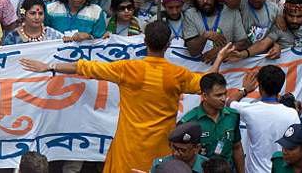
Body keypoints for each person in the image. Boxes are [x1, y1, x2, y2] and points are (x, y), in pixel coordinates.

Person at [20, 21, 235, 173]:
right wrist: (220, 57)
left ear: (145, 42)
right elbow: (207, 84)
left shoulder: (129, 68)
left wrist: (50, 66)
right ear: (168, 44)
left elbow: (85, 67)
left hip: (128, 149)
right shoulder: (177, 75)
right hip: (160, 150)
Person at [228, 65, 300, 173]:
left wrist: (244, 89)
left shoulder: (249, 110)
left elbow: (229, 103)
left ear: (260, 87)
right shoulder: (292, 114)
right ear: (281, 87)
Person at [178, 73, 244, 172]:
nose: (223, 99)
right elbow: (181, 156)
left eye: (225, 93)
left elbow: (237, 147)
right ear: (204, 96)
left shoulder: (232, 116)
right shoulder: (189, 122)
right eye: (218, 95)